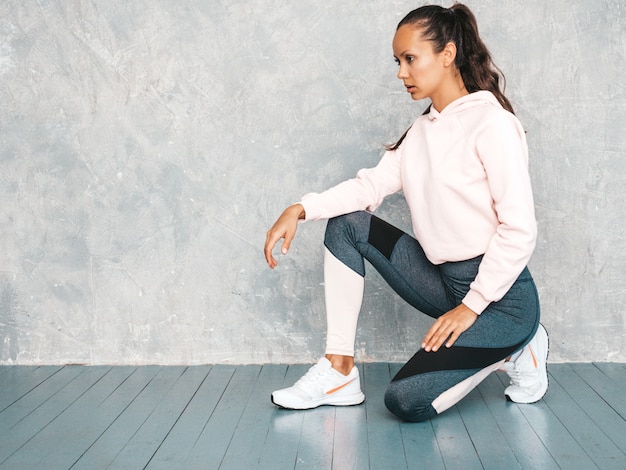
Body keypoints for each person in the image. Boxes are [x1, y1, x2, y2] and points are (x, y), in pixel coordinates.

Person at [263, 3, 548, 422]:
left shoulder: (493, 124)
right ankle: (338, 370)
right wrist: (300, 208)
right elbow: (368, 188)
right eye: (398, 62)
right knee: (347, 226)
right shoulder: (420, 132)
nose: (401, 73)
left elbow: (520, 228)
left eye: (410, 59)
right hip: (442, 282)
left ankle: (519, 345)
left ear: (447, 55)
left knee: (405, 401)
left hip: (501, 301)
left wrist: (473, 306)